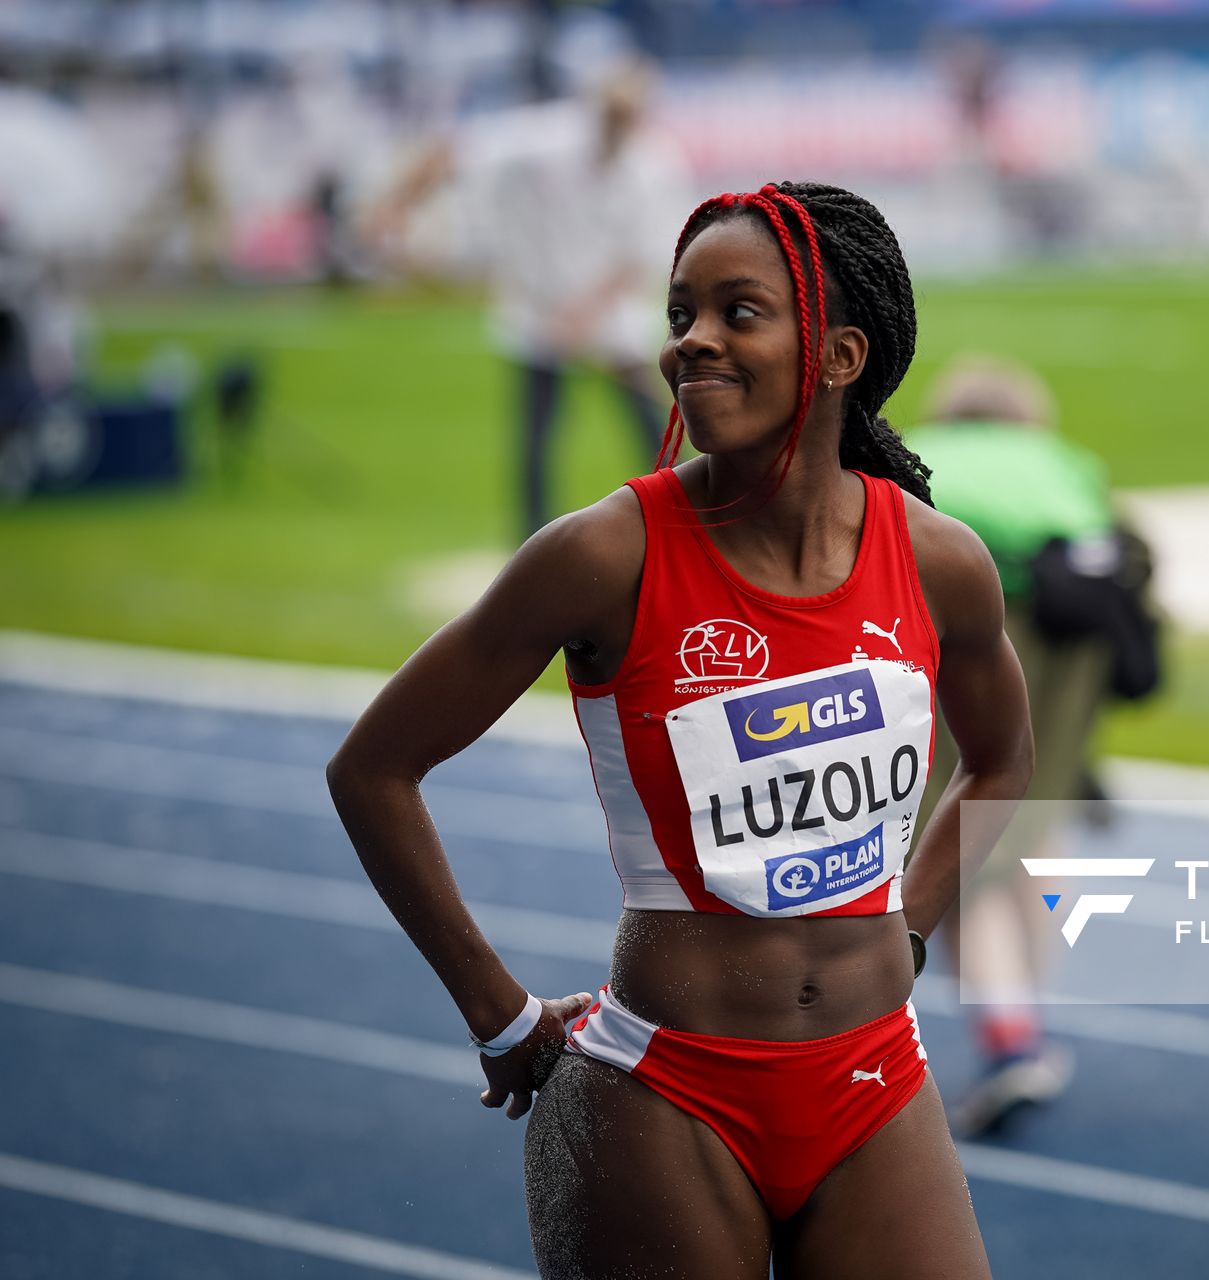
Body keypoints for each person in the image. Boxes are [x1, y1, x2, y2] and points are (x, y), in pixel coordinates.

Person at [328, 180, 1031, 1279]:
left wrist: (912, 927)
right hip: (667, 1093)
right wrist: (501, 1013)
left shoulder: (940, 562)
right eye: (678, 314)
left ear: (839, 355)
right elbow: (374, 767)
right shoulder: (604, 556)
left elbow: (1002, 760)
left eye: (736, 311)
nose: (689, 343)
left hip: (873, 1077)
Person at [904, 357, 1129, 1137]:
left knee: (965, 851)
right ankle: (1026, 1008)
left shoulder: (919, 457)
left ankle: (1009, 1041)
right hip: (1074, 658)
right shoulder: (1071, 467)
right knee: (1036, 832)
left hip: (975, 642)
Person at [364, 61, 692, 539]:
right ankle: (534, 540)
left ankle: (683, 519)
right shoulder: (542, 139)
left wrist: (586, 313)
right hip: (539, 311)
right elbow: (451, 152)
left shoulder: (654, 164)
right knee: (537, 437)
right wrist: (391, 207)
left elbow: (638, 256)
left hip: (608, 315)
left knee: (651, 423)